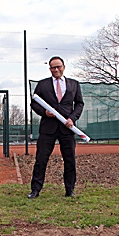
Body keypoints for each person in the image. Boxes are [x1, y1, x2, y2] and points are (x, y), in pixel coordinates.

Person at [28, 56, 84, 199]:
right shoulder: (42, 85)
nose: (56, 69)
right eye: (53, 67)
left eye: (58, 66)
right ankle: (35, 190)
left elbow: (79, 104)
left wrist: (72, 118)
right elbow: (34, 103)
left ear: (63, 67)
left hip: (67, 128)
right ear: (50, 69)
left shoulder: (74, 84)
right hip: (48, 128)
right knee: (41, 159)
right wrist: (44, 112)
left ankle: (70, 190)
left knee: (70, 159)